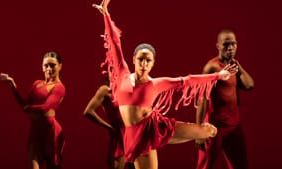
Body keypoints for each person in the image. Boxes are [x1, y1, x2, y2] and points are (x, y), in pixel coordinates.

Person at [92, 0, 238, 168]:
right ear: (133, 60)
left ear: (153, 63)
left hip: (152, 127)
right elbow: (114, 44)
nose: (144, 64)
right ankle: (206, 129)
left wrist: (218, 75)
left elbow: (187, 80)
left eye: (148, 60)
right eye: (141, 59)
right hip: (133, 135)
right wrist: (106, 15)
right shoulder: (122, 74)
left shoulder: (156, 84)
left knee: (209, 131)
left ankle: (208, 129)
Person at [195, 29, 254, 169]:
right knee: (204, 166)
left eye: (233, 44)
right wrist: (198, 131)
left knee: (240, 166)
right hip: (214, 126)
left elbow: (250, 85)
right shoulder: (211, 67)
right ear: (218, 46)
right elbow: (202, 99)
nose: (230, 48)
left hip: (234, 127)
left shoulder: (234, 67)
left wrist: (239, 67)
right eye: (226, 44)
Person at [0, 51, 66, 169]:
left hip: (51, 132)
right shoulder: (37, 84)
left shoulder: (59, 87)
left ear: (60, 66)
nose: (49, 68)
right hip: (35, 132)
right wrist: (13, 85)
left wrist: (29, 108)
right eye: (46, 65)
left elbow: (46, 107)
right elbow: (24, 105)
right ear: (42, 67)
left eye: (52, 65)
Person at [83, 74, 126, 169]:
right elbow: (88, 111)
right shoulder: (105, 89)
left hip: (131, 134)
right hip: (119, 135)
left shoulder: (123, 91)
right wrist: (109, 127)